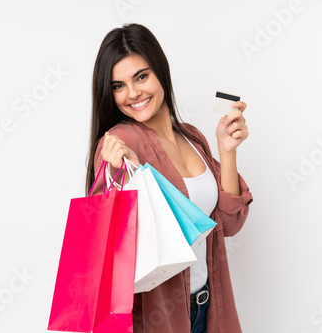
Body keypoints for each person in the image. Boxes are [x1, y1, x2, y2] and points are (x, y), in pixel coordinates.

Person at [86, 23, 253, 333]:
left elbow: (229, 225)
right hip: (159, 315)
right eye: (118, 85)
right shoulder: (119, 143)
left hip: (208, 306)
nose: (133, 93)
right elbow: (110, 245)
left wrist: (226, 151)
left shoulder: (192, 137)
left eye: (141, 76)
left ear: (160, 71)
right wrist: (133, 174)